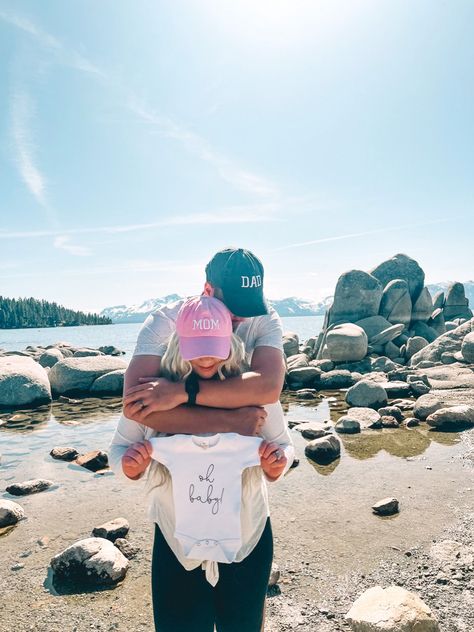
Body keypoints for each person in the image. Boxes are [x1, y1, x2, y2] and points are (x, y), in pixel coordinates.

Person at [108, 295, 294, 632]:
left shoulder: (252, 388)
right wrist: (132, 468)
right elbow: (119, 451)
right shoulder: (154, 389)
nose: (207, 356)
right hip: (176, 541)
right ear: (179, 343)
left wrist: (274, 466)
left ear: (231, 341)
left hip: (247, 537)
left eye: (214, 345)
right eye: (197, 347)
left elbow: (284, 448)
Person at [121, 247, 286, 436]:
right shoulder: (165, 320)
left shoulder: (265, 317)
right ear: (208, 290)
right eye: (234, 305)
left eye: (249, 304)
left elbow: (270, 388)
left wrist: (180, 392)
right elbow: (134, 405)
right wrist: (229, 421)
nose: (242, 316)